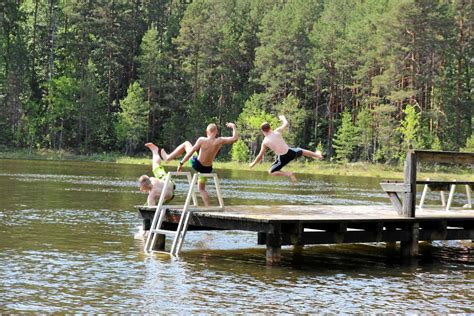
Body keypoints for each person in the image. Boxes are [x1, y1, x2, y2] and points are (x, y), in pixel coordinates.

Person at [160, 122, 238, 206]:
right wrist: (233, 126)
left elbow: (190, 152)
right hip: (207, 168)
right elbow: (235, 138)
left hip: (197, 164)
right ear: (216, 132)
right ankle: (208, 207)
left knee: (186, 144)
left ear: (206, 132)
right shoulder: (220, 141)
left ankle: (168, 158)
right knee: (201, 189)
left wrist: (181, 163)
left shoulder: (202, 140)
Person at [249, 115, 323, 182]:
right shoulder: (276, 132)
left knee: (271, 172)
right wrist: (283, 118)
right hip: (290, 153)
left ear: (262, 131)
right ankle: (318, 155)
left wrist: (253, 163)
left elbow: (260, 155)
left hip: (282, 159)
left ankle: (288, 174)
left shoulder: (265, 142)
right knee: (301, 151)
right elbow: (286, 124)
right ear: (270, 127)